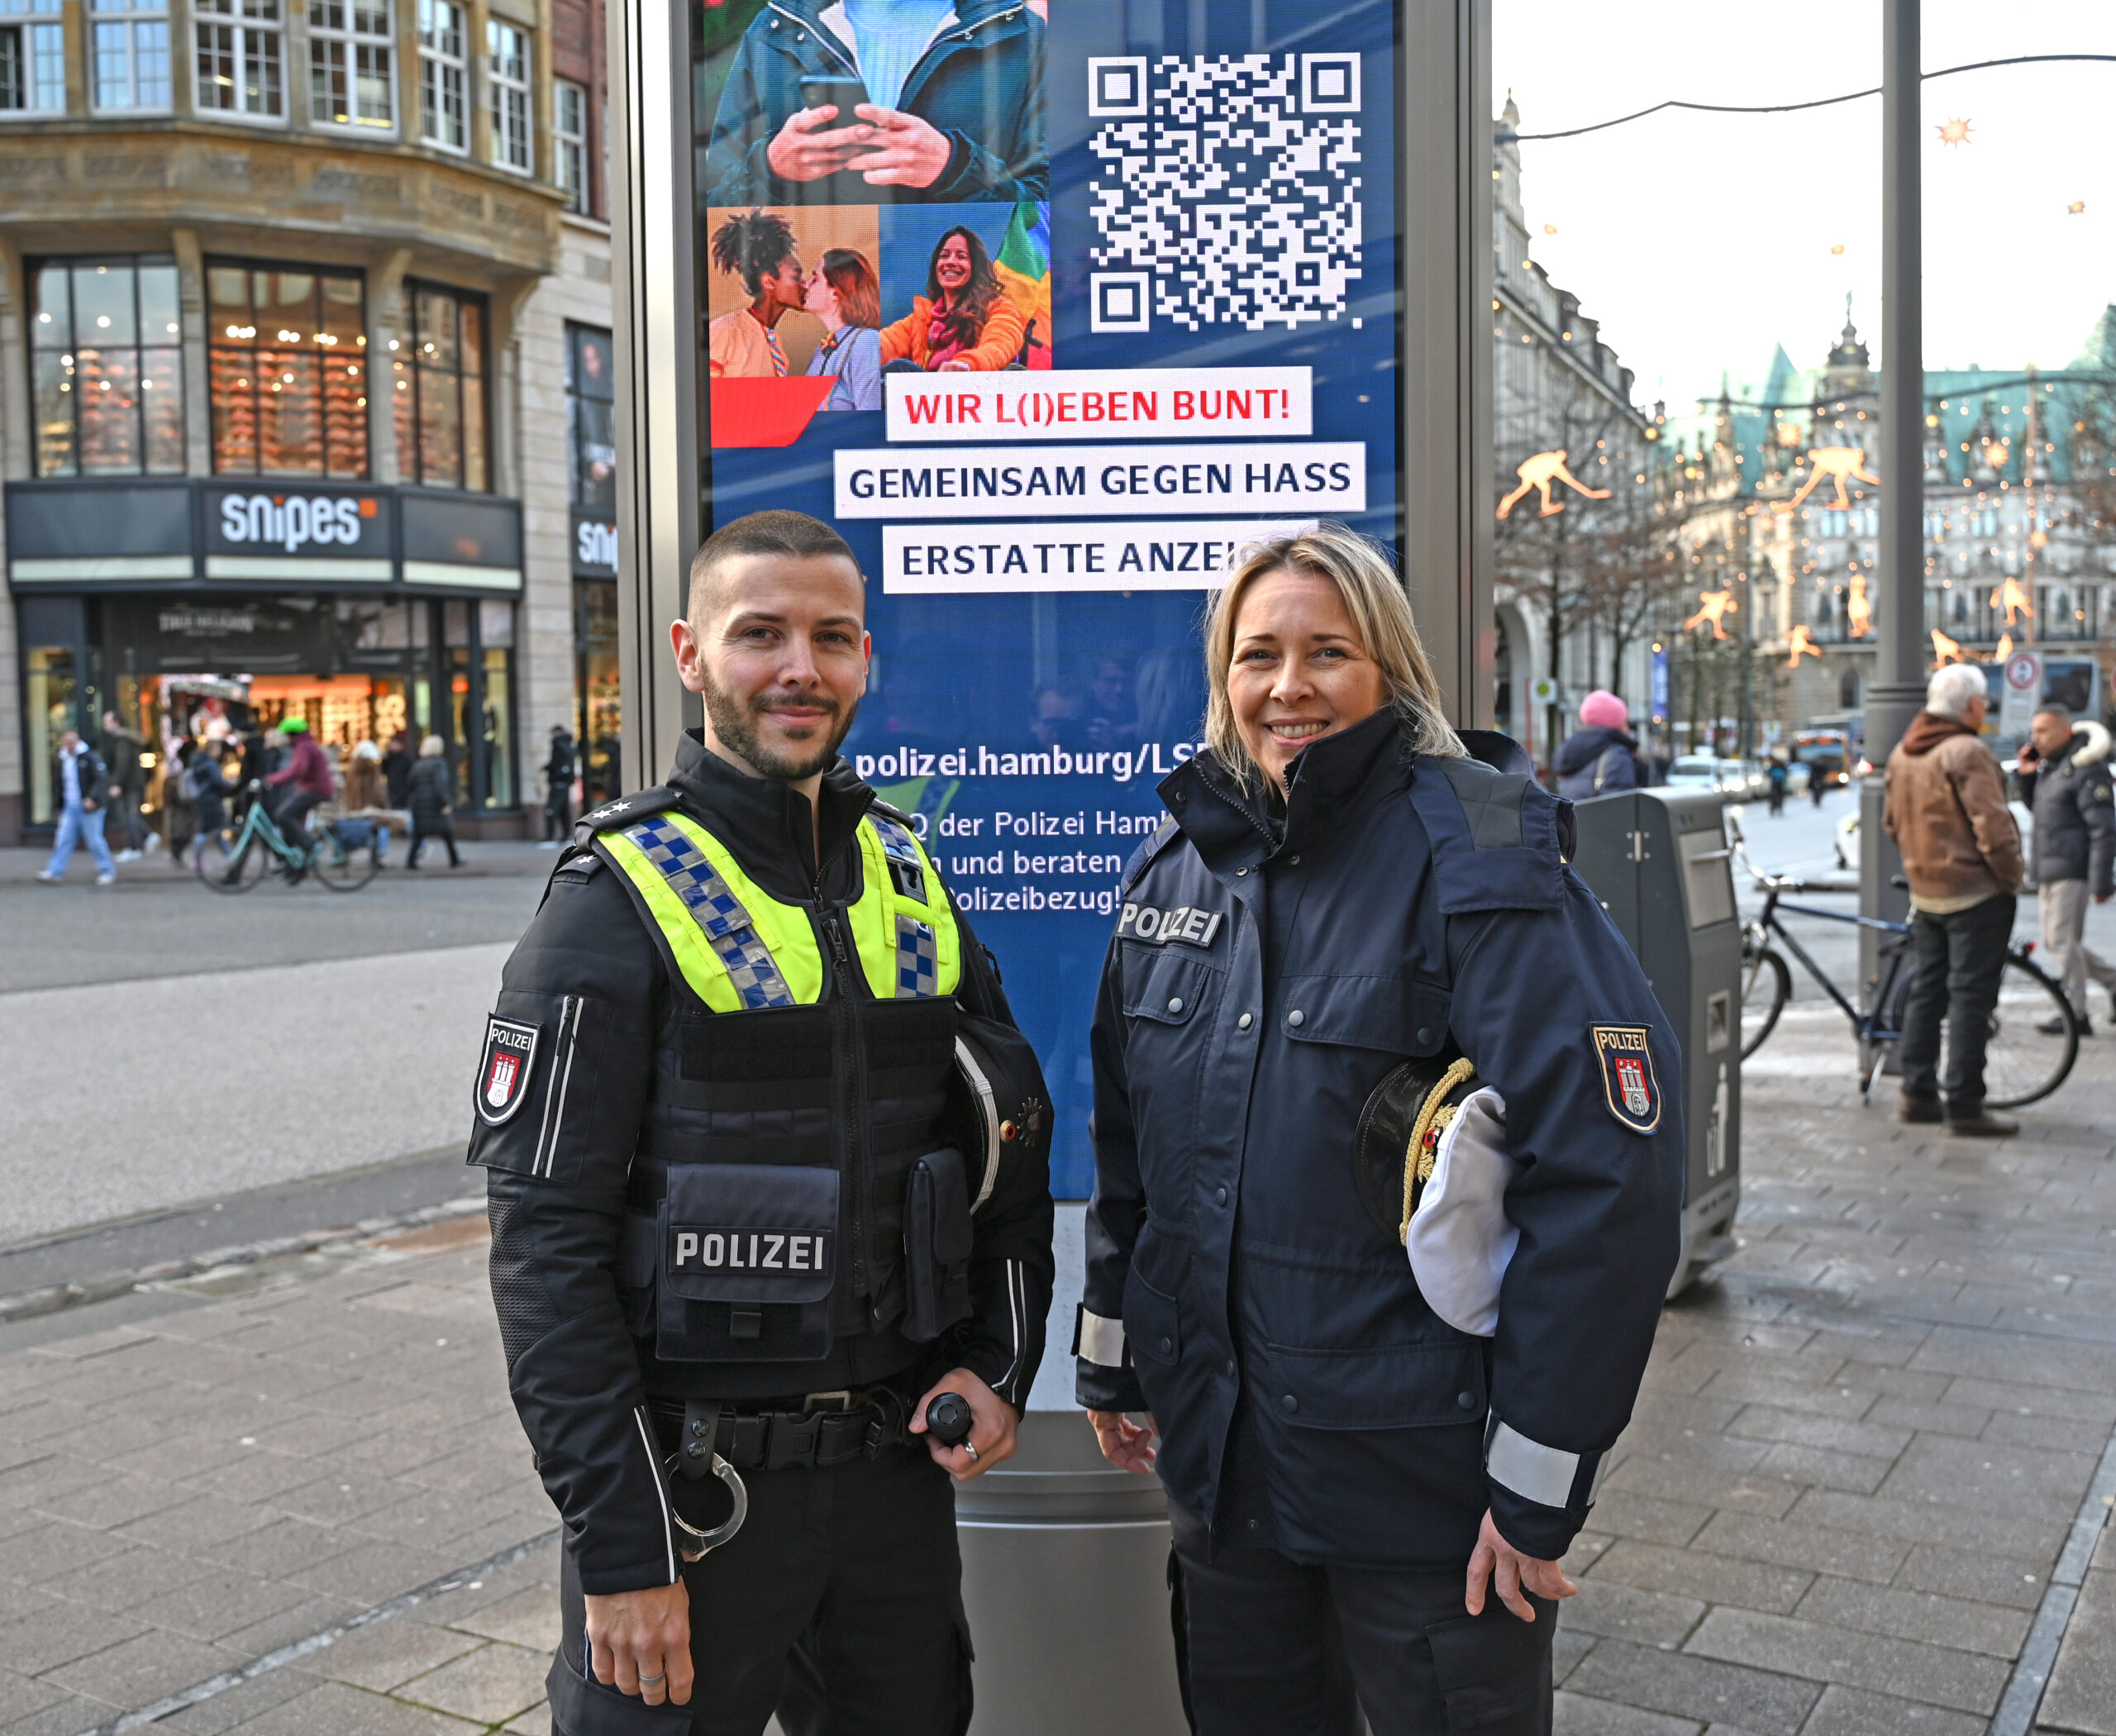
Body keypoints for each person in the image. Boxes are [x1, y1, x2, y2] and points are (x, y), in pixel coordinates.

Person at [1076, 525, 1685, 1736]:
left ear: (1389, 671)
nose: (1287, 685)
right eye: (1258, 656)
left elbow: (1608, 1191)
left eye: (1326, 652)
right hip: (1226, 1472)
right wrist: (1115, 1353)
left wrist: (1537, 1481)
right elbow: (1131, 1145)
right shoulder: (1176, 869)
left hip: (1427, 1503)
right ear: (1223, 678)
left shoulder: (1484, 865)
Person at [469, 508, 1055, 1734]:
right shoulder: (611, 898)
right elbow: (546, 1253)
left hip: (895, 1490)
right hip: (696, 1505)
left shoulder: (911, 872)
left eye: (832, 637)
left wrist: (997, 1365)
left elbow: (1004, 1145)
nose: (802, 667)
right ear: (690, 654)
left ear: (865, 659)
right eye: (761, 634)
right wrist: (624, 1548)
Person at [702, 0, 1046, 208]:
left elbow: (1061, 217)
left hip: (967, 307)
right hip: (823, 293)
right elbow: (713, 205)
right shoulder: (773, 30)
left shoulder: (1025, 37)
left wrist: (957, 168)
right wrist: (770, 169)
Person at [1882, 663, 2026, 1136]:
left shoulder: (1905, 752)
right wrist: (2011, 879)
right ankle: (1965, 1104)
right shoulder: (1967, 751)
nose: (1986, 709)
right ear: (1969, 706)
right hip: (1974, 894)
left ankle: (1917, 1094)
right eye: (1984, 701)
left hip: (1927, 893)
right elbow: (1995, 829)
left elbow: (1890, 823)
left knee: (1928, 992)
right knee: (1971, 999)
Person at [2014, 704, 2116, 1036]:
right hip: (2052, 867)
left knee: (2060, 940)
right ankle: (2114, 983)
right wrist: (2027, 776)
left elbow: (2104, 829)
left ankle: (2076, 1013)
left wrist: (2102, 880)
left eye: (2043, 731)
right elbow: (2042, 811)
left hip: (2074, 869)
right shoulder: (2054, 768)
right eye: (2034, 731)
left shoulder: (2086, 768)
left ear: (2066, 731)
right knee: (2061, 941)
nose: (2036, 738)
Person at [879, 227, 1025, 374]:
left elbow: (1000, 344)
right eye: (944, 256)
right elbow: (885, 344)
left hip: (973, 389)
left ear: (976, 267)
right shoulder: (922, 318)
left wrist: (967, 364)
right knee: (896, 368)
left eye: (961, 256)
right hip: (928, 393)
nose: (950, 262)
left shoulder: (999, 307)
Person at [708, 210, 809, 380]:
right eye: (796, 277)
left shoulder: (775, 344)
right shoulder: (726, 331)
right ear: (769, 282)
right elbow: (708, 399)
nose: (805, 285)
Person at [803, 250, 883, 411]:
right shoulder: (821, 351)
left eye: (815, 279)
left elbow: (870, 417)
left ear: (835, 292)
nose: (806, 284)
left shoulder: (865, 342)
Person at [37, 727, 117, 886]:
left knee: (94, 840)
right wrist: (58, 806)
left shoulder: (89, 757)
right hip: (70, 806)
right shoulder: (62, 760)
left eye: (73, 741)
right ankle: (55, 871)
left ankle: (107, 871)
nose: (70, 744)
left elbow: (101, 779)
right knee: (63, 839)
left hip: (89, 807)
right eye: (67, 741)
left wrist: (92, 798)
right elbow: (59, 786)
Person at [1551, 690, 1641, 802]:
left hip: (1576, 818)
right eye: (1624, 721)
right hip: (1601, 818)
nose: (1627, 728)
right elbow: (1620, 809)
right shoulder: (1617, 756)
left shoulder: (1568, 751)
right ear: (1617, 723)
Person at [263, 717, 334, 849]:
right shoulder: (306, 745)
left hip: (314, 790)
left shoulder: (303, 747)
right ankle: (297, 859)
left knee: (283, 815)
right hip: (316, 788)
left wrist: (272, 780)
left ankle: (310, 846)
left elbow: (297, 770)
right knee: (291, 817)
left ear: (291, 734)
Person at [101, 709, 152, 861]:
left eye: (107, 722)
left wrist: (116, 783)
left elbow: (122, 763)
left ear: (116, 722)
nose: (105, 726)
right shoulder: (128, 738)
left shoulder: (122, 739)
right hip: (133, 782)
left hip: (128, 783)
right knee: (129, 814)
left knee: (127, 815)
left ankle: (136, 844)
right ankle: (143, 839)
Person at [406, 737, 460, 869]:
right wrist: (444, 803)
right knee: (447, 833)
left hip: (420, 804)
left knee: (419, 834)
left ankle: (411, 861)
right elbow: (440, 786)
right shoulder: (438, 764)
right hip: (435, 804)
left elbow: (410, 784)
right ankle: (454, 860)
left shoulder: (418, 765)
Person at [338, 740, 394, 866]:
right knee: (377, 830)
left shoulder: (352, 770)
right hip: (371, 807)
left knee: (346, 831)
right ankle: (377, 857)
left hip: (354, 807)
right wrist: (383, 806)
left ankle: (342, 857)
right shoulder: (373, 770)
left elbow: (347, 791)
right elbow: (378, 791)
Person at [187, 738, 234, 868]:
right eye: (218, 749)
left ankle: (230, 856)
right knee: (211, 830)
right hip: (211, 800)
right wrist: (232, 787)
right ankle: (230, 856)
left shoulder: (199, 762)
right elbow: (217, 782)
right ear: (212, 750)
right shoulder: (210, 764)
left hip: (204, 800)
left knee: (210, 831)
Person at [543, 725, 580, 847]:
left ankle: (550, 837)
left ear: (558, 732)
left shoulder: (558, 745)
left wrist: (552, 770)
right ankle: (566, 835)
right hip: (565, 783)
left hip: (558, 783)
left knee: (552, 809)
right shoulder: (569, 745)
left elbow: (557, 763)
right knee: (564, 811)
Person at [383, 730, 417, 811]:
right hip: (390, 796)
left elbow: (411, 779)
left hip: (403, 798)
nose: (392, 745)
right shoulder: (388, 759)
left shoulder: (406, 760)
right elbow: (383, 772)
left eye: (395, 743)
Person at [1766, 752, 1790, 817]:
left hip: (1780, 783)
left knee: (1780, 796)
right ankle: (1773, 809)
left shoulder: (1782, 766)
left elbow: (1786, 772)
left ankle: (1780, 808)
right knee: (1773, 797)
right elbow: (1769, 773)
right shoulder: (1773, 766)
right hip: (1774, 783)